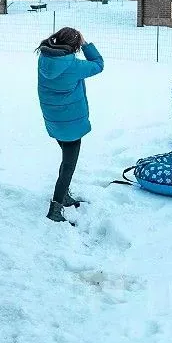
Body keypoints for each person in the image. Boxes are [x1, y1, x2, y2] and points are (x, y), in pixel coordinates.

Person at [37, 27, 104, 224]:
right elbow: (98, 64)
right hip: (71, 124)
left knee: (66, 159)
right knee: (68, 165)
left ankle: (64, 195)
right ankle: (56, 207)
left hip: (53, 119)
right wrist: (85, 45)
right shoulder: (73, 65)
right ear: (74, 45)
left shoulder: (44, 59)